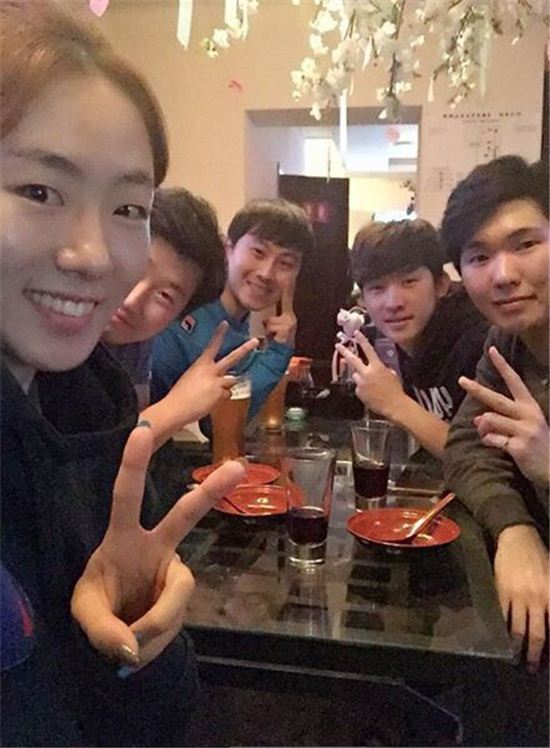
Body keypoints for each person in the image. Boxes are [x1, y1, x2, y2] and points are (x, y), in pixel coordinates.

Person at [0, 2, 244, 745]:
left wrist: (130, 629)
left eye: (129, 207)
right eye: (40, 192)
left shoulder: (85, 411)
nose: (95, 256)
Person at [440, 155, 549, 677]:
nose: (504, 276)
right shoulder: (506, 341)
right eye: (479, 257)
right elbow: (466, 446)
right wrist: (514, 528)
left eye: (525, 244)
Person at [101, 186, 258, 449]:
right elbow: (79, 460)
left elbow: (121, 439)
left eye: (165, 295)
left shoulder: (134, 343)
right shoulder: (51, 335)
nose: (132, 300)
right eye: (135, 269)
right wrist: (179, 406)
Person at [337, 219, 488, 460]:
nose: (393, 303)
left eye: (409, 282)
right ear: (362, 300)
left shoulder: (479, 340)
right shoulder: (395, 342)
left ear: (441, 284)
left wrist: (395, 403)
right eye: (377, 288)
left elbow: (482, 459)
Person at [152, 198, 315, 420]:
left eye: (285, 263)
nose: (266, 273)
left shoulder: (235, 329)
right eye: (258, 252)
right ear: (228, 249)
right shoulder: (185, 308)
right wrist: (277, 354)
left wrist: (280, 350)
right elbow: (211, 420)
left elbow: (225, 416)